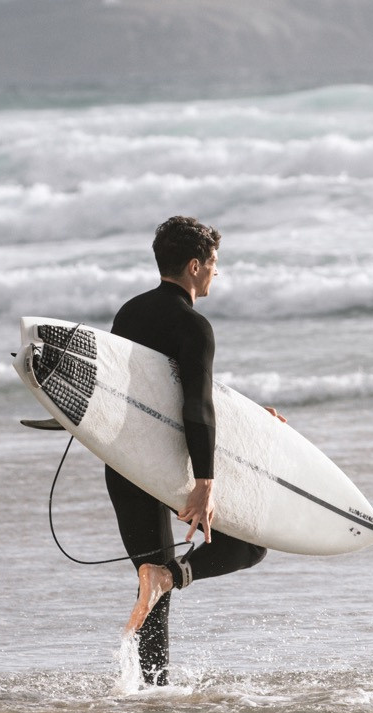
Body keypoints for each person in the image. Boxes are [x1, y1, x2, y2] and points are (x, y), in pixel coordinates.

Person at [107, 215, 282, 686]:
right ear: (193, 265)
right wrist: (205, 484)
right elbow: (194, 406)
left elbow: (152, 393)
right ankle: (173, 578)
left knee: (151, 581)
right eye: (213, 263)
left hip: (124, 465)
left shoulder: (128, 313)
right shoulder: (193, 324)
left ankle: (150, 694)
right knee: (250, 545)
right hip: (169, 467)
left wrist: (248, 417)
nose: (216, 273)